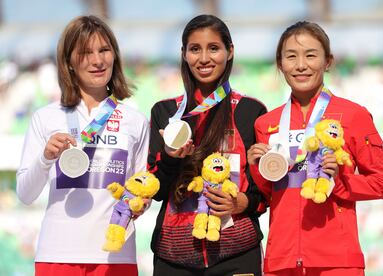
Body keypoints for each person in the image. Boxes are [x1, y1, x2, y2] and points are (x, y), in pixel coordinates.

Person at [247, 21, 383, 276]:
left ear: (328, 61)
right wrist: (257, 167)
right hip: (282, 261)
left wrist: (339, 181)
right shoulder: (266, 124)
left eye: (311, 55)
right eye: (291, 56)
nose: (301, 65)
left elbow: (381, 183)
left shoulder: (353, 116)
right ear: (280, 64)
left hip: (337, 262)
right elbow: (271, 194)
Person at [16, 15, 149, 276]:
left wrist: (141, 202)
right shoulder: (46, 117)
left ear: (115, 56)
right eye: (85, 52)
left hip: (116, 257)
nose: (97, 60)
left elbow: (140, 189)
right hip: (57, 255)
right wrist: (45, 158)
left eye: (104, 50)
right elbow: (25, 194)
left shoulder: (135, 120)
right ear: (69, 62)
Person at [147, 14, 267, 275]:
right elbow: (155, 191)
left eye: (214, 48)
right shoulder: (165, 112)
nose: (203, 58)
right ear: (184, 54)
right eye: (194, 49)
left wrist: (242, 202)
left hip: (237, 252)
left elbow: (264, 190)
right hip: (174, 255)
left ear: (230, 51)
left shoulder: (251, 110)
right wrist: (170, 158)